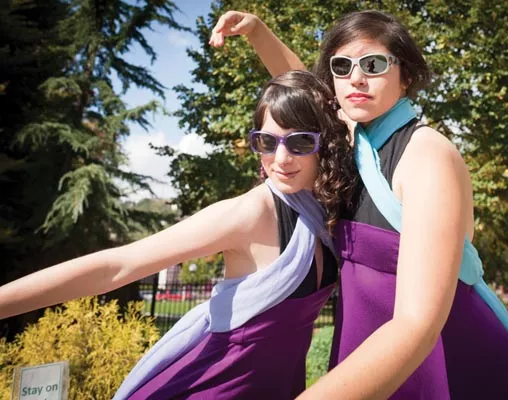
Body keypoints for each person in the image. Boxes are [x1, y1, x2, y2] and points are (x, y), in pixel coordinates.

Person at [210, 10, 508, 399]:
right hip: (368, 352)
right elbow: (304, 90)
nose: (356, 78)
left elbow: (416, 324)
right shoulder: (353, 143)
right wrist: (258, 31)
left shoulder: (426, 154)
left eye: (373, 65)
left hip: (443, 358)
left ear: (405, 74)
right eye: (341, 66)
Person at [0, 70, 357, 399]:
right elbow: (116, 266)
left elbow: (327, 100)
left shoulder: (319, 211)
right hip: (214, 385)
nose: (280, 158)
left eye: (299, 142)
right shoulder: (251, 212)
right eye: (266, 141)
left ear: (324, 143)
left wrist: (258, 32)